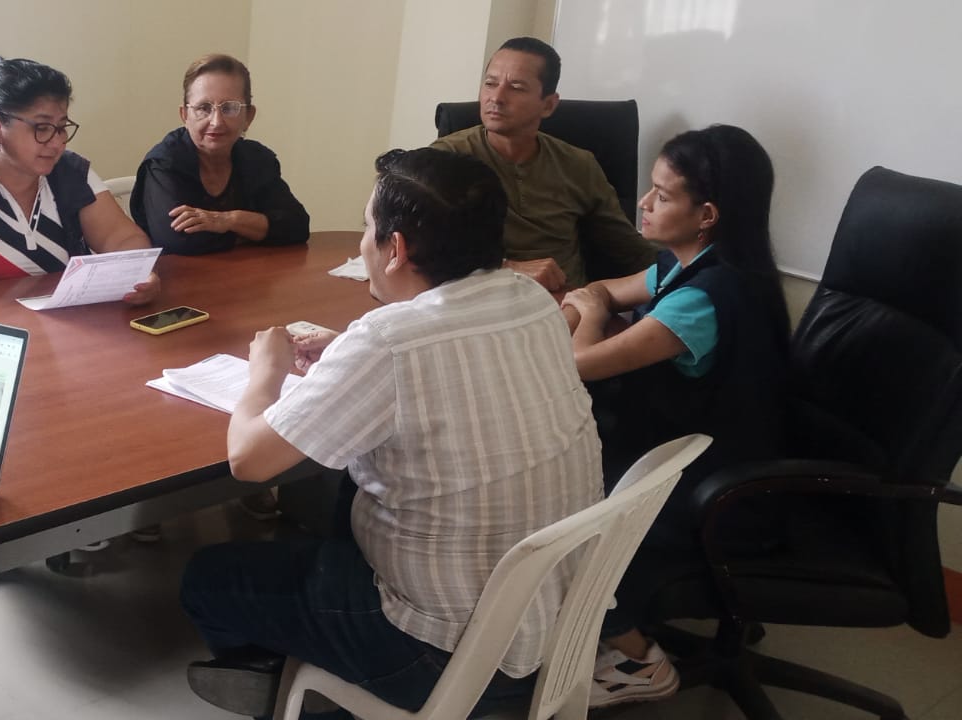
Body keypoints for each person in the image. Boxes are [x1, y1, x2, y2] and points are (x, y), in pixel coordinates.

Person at [179, 147, 603, 718]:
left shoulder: (388, 341)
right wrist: (346, 356)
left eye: (366, 229)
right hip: (555, 626)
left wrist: (266, 373)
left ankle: (302, 691)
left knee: (207, 577)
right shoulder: (529, 299)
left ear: (396, 248)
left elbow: (249, 460)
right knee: (344, 497)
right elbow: (453, 363)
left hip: (438, 655)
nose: (362, 244)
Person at [560, 125, 790, 708]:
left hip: (712, 491)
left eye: (661, 195)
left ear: (706, 214)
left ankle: (639, 658)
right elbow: (605, 290)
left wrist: (590, 314)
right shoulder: (689, 266)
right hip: (689, 458)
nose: (643, 202)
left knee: (557, 511)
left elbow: (582, 363)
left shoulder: (702, 299)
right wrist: (591, 306)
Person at [0, 55, 160, 301]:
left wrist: (137, 272)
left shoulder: (69, 172)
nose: (56, 143)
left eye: (61, 128)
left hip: (51, 323)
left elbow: (121, 238)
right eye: (42, 128)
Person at [432, 36, 653, 291]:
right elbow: (416, 247)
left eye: (516, 87)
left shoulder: (578, 165)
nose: (497, 97)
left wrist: (688, 268)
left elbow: (630, 251)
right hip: (481, 300)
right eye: (490, 84)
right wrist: (507, 267)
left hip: (564, 303)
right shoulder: (446, 158)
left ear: (548, 105)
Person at [131, 53, 310, 255]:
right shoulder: (164, 163)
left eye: (229, 108)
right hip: (179, 274)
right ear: (185, 115)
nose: (216, 122)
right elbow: (180, 242)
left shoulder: (257, 159)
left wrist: (229, 220)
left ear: (248, 116)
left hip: (249, 270)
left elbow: (297, 226)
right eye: (203, 108)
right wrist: (255, 229)